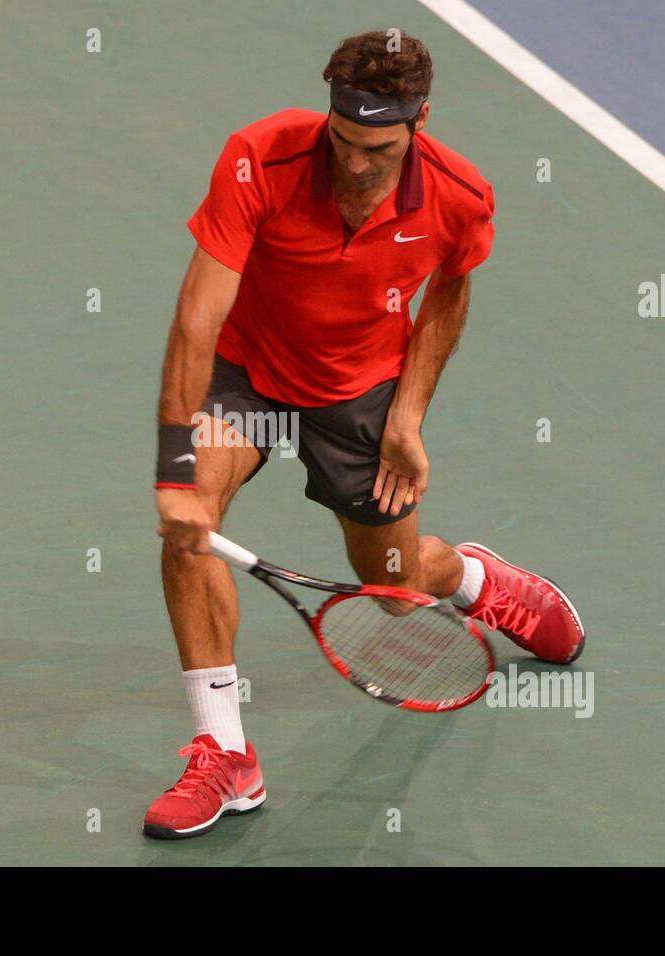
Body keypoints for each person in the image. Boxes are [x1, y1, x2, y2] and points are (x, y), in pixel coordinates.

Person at [145, 30, 584, 840]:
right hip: (247, 374)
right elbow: (195, 323)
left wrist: (409, 417)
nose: (354, 163)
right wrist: (176, 470)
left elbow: (450, 294)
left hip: (361, 391)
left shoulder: (460, 194)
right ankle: (224, 753)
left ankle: (472, 581)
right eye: (343, 141)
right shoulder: (260, 159)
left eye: (377, 147)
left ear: (420, 121)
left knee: (392, 592)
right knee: (188, 534)